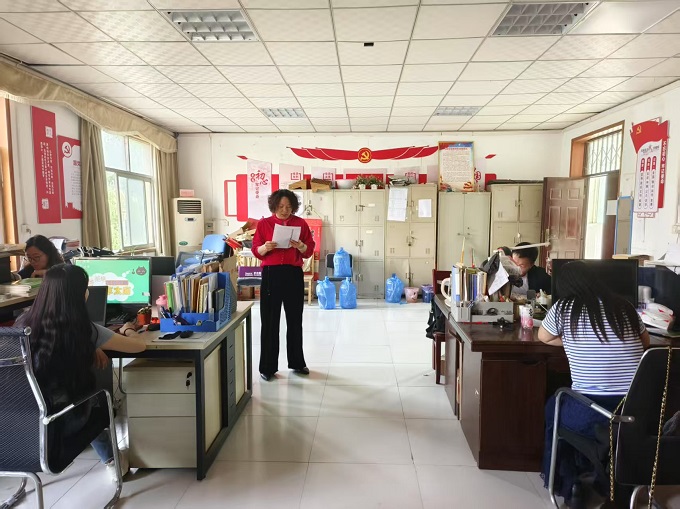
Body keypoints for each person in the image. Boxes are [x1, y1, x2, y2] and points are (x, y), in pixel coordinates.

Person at [15, 264, 146, 480]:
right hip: (63, 422)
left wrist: (92, 346)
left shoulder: (22, 324)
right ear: (80, 294)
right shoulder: (83, 329)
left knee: (70, 395)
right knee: (93, 398)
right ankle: (112, 460)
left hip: (21, 423)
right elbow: (139, 347)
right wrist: (129, 329)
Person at [537, 261, 649, 506]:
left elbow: (543, 336)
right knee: (570, 407)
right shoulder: (625, 306)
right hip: (633, 414)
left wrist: (571, 340)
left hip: (591, 415)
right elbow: (645, 343)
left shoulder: (564, 308)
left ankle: (569, 481)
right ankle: (601, 475)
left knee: (555, 406)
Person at [251, 189, 316, 382]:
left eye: (288, 207)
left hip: (293, 274)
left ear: (293, 207)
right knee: (269, 321)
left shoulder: (300, 223)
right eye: (281, 206)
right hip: (271, 274)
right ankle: (267, 367)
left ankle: (297, 362)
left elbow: (309, 250)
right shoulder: (264, 224)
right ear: (274, 206)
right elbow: (256, 250)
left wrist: (300, 246)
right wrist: (265, 247)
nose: (285, 210)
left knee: (295, 319)